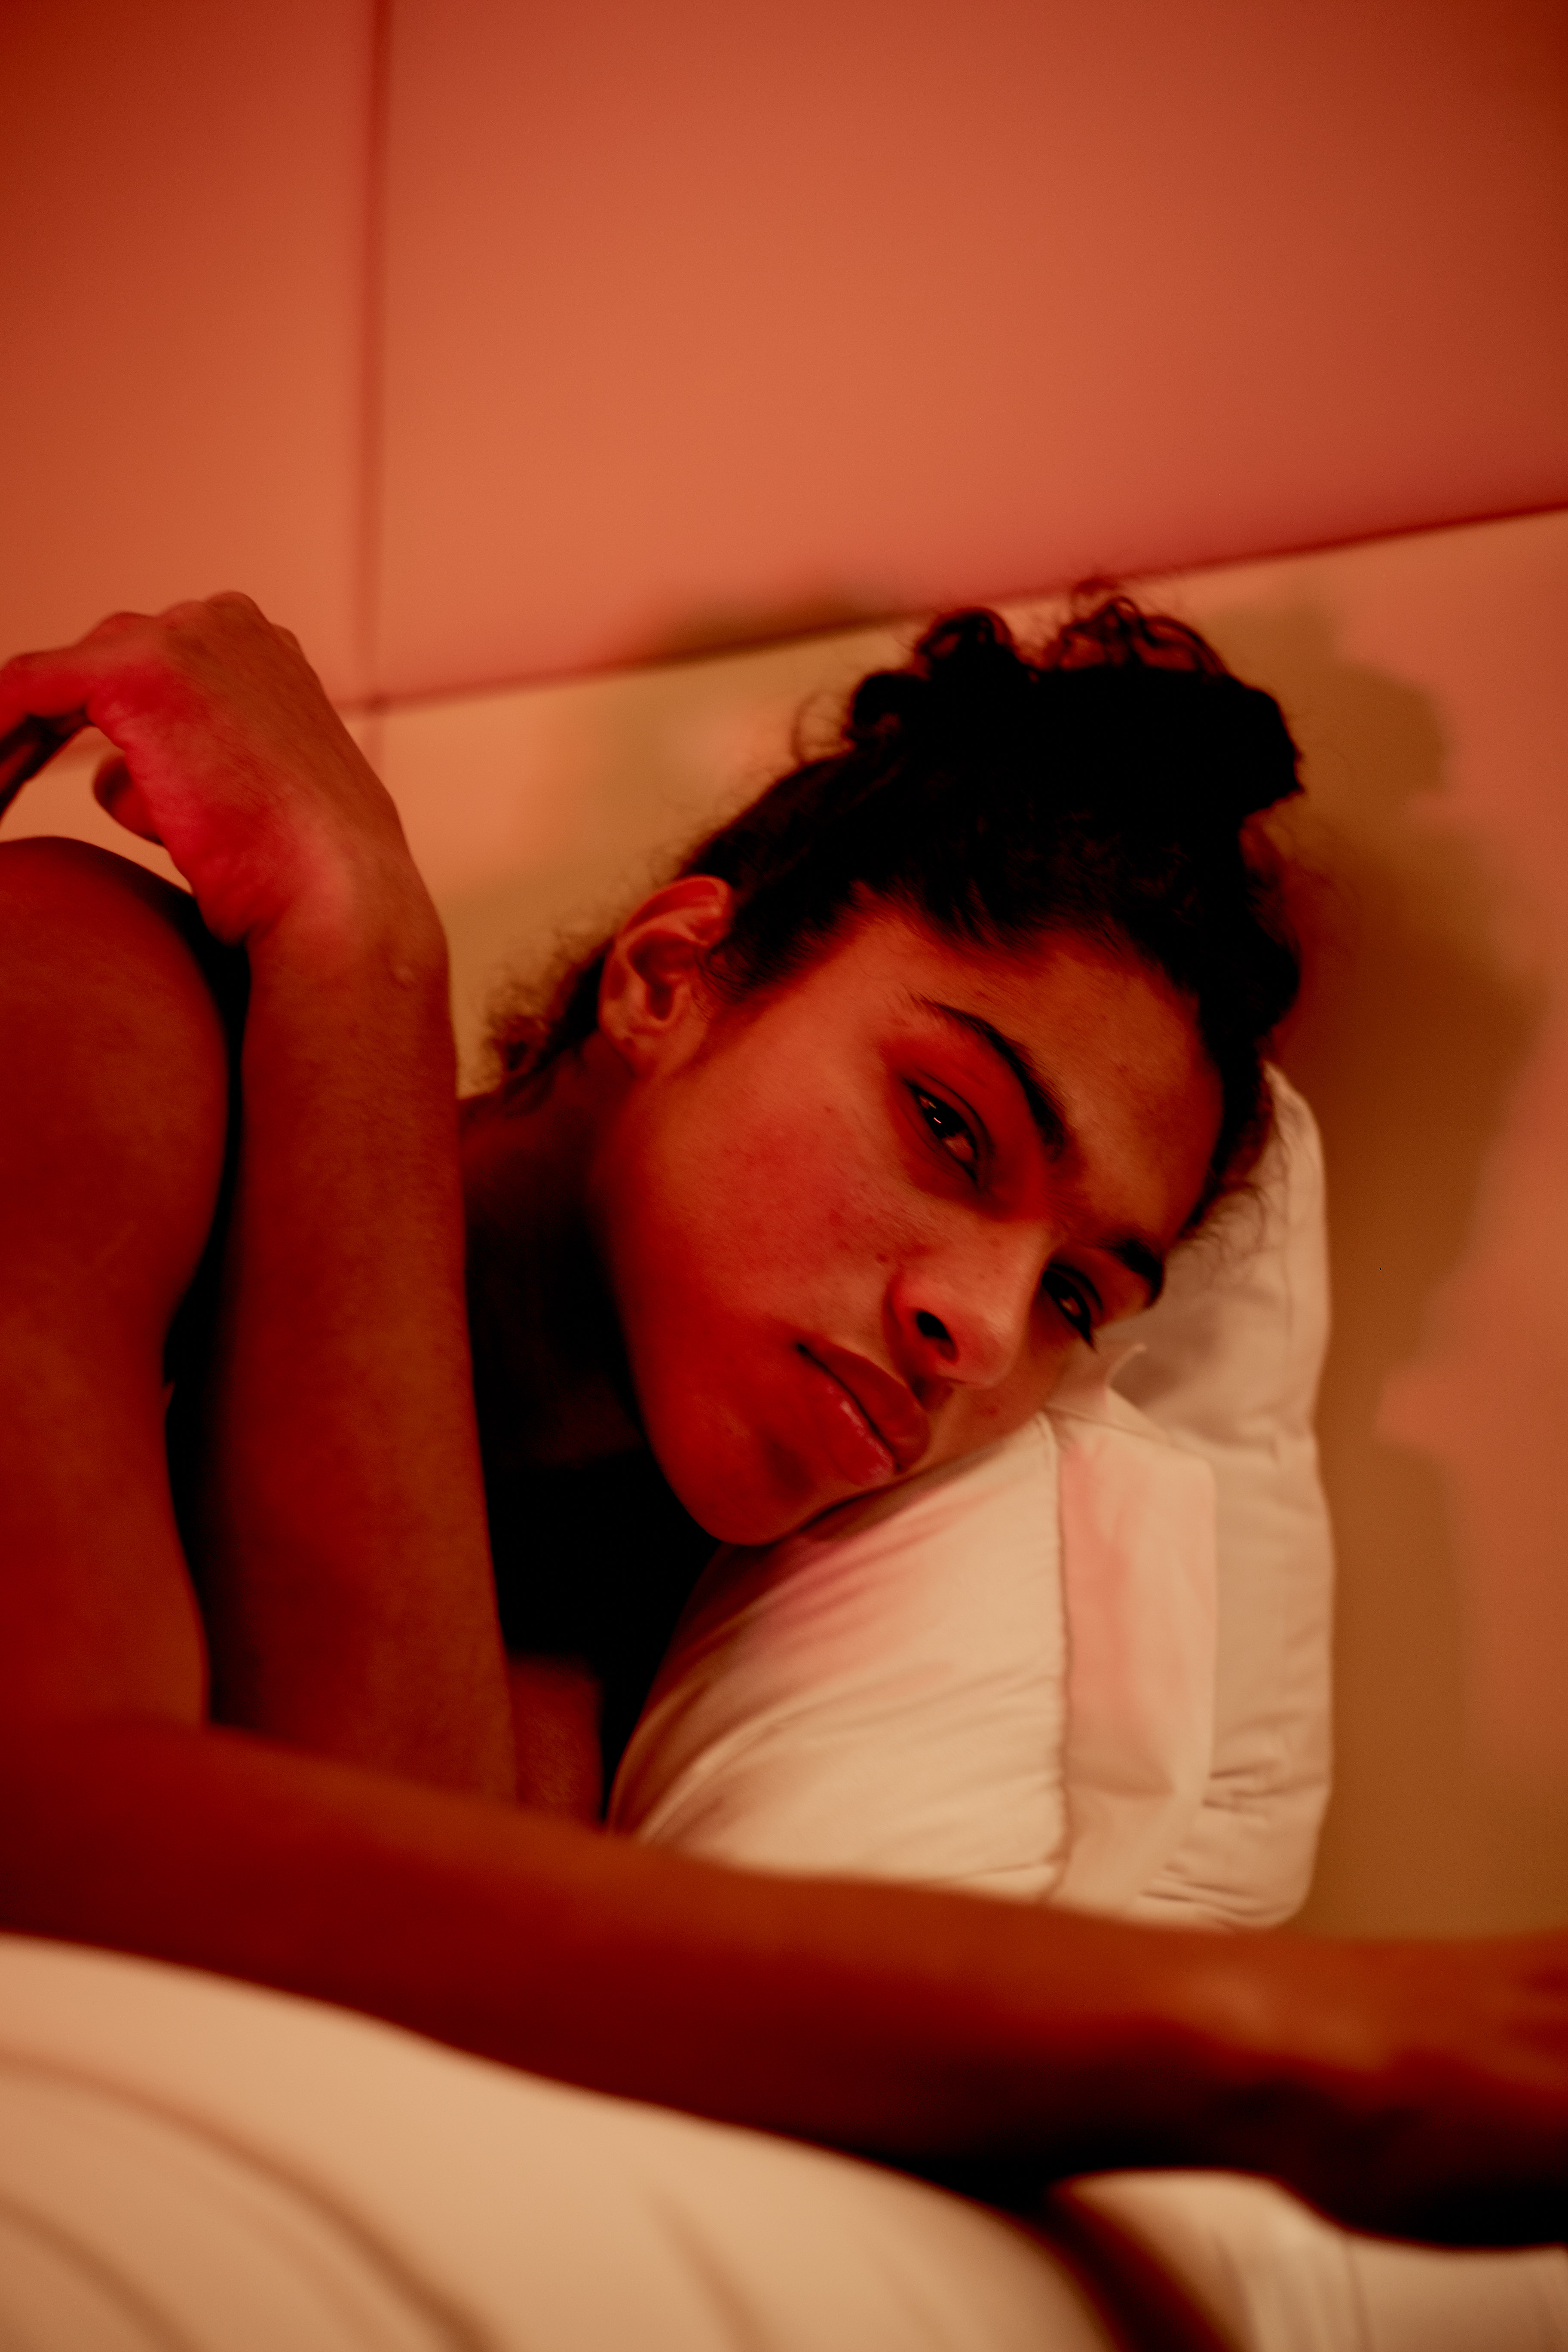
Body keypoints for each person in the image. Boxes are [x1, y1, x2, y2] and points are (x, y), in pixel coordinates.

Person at [0, 591, 1563, 2249]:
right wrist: (358, 944)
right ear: (668, 978)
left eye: (1076, 1296)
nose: (983, 1332)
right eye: (951, 1127)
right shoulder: (103, 990)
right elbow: (54, 1806)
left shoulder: (612, 1671)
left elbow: (387, 2058)